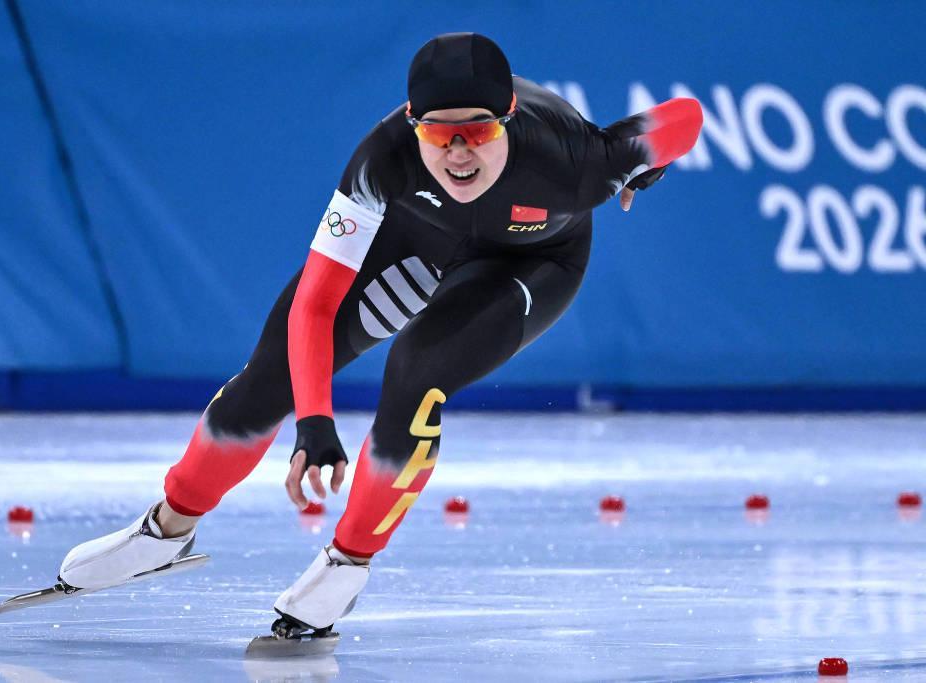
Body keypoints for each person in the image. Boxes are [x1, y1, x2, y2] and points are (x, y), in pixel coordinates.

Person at [57, 32, 702, 639]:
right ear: (413, 125)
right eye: (439, 133)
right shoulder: (381, 160)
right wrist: (315, 421)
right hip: (417, 243)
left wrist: (644, 165)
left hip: (530, 262)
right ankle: (166, 530)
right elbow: (314, 306)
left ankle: (348, 564)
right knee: (272, 376)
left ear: (507, 120)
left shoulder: (577, 160)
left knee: (418, 370)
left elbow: (687, 117)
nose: (459, 152)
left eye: (478, 131)